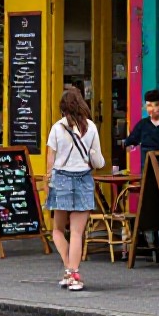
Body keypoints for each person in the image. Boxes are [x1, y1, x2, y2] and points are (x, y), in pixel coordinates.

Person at [43, 86, 103, 292]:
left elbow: (50, 157)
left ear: (62, 108)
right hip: (84, 178)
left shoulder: (57, 128)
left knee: (58, 230)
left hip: (61, 179)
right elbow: (98, 159)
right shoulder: (92, 128)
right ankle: (73, 273)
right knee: (77, 232)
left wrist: (47, 180)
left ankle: (70, 271)